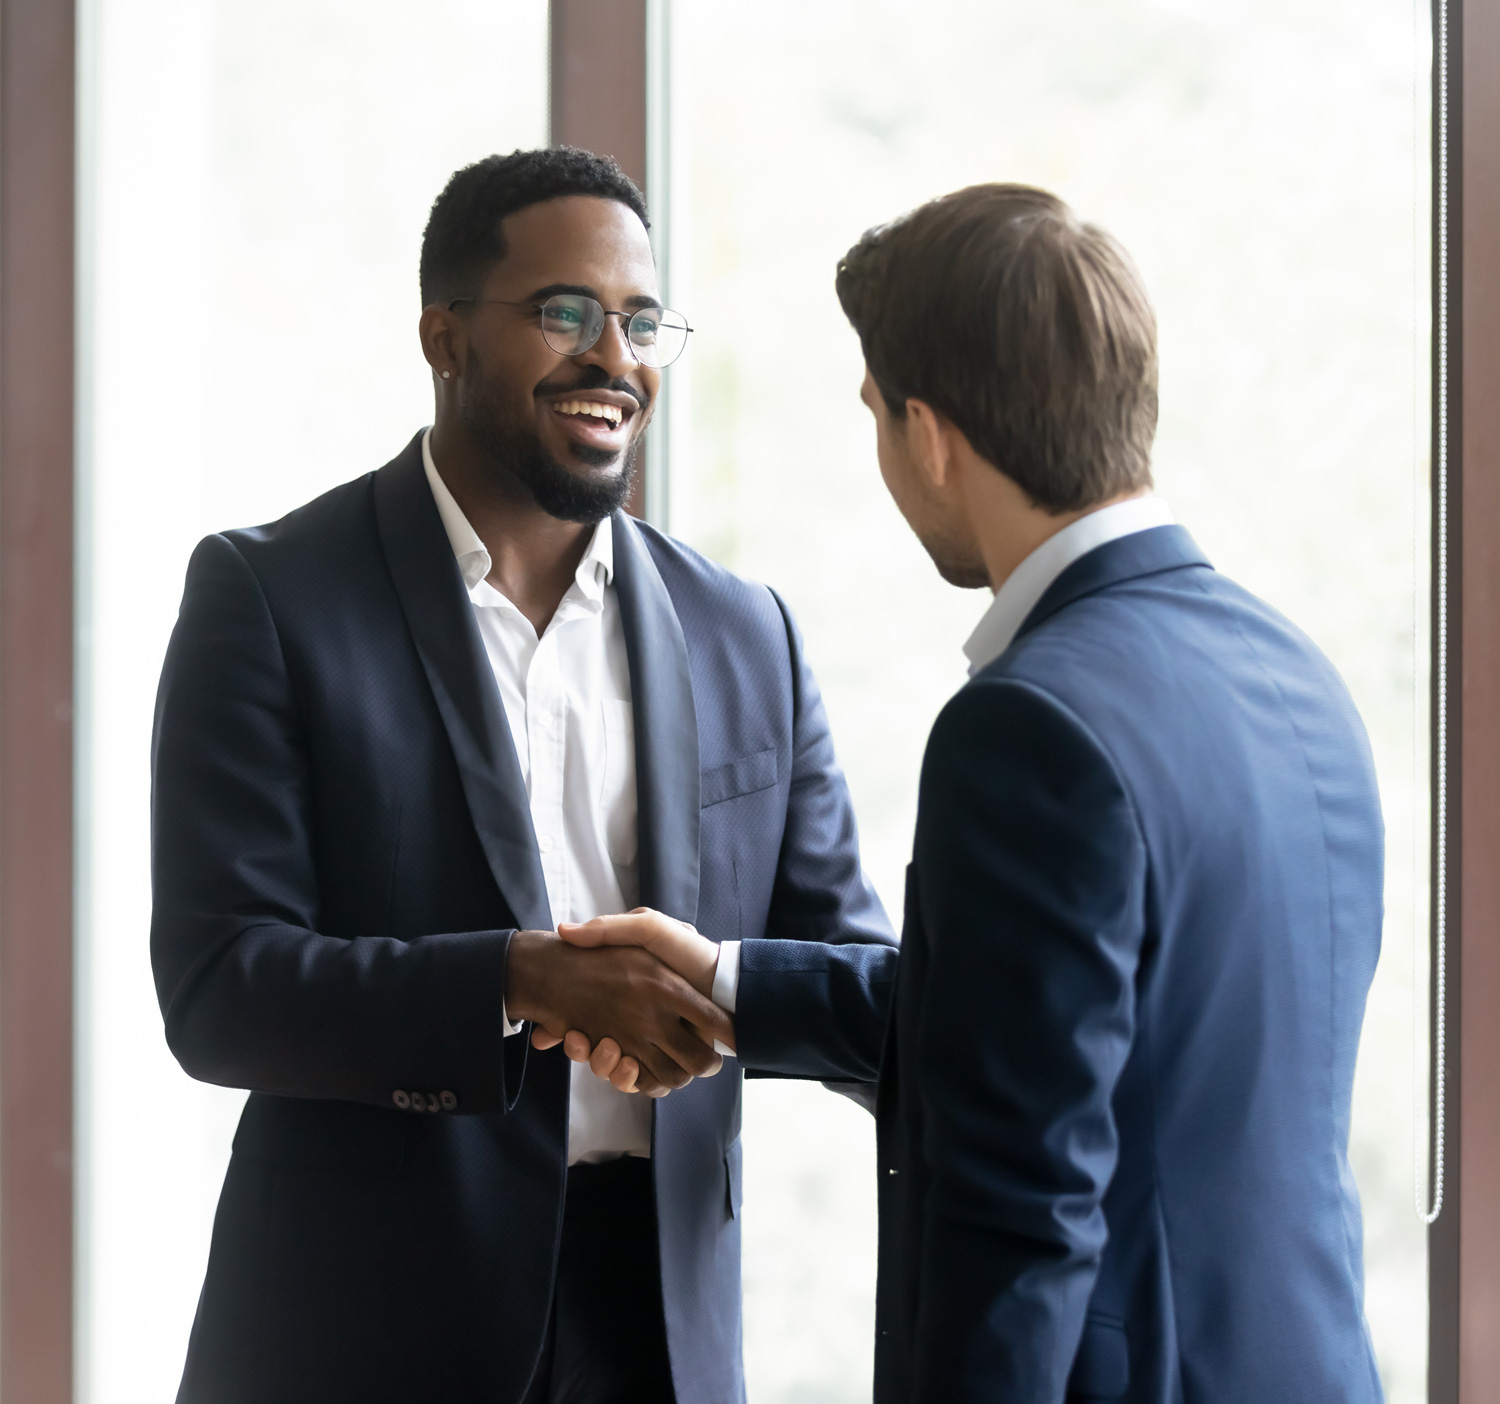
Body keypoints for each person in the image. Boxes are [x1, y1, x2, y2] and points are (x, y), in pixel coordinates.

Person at [562, 184, 1386, 1402]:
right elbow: (1081, 1034)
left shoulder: (1028, 726)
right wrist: (733, 983)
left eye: (877, 421)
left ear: (932, 434)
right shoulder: (1297, 673)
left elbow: (1024, 1213)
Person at [149, 146, 895, 1404]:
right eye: (567, 314)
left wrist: (719, 991)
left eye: (644, 321)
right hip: (360, 1332)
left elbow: (863, 984)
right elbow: (220, 990)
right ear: (444, 336)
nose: (617, 357)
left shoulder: (746, 632)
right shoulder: (268, 597)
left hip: (658, 1331)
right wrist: (510, 979)